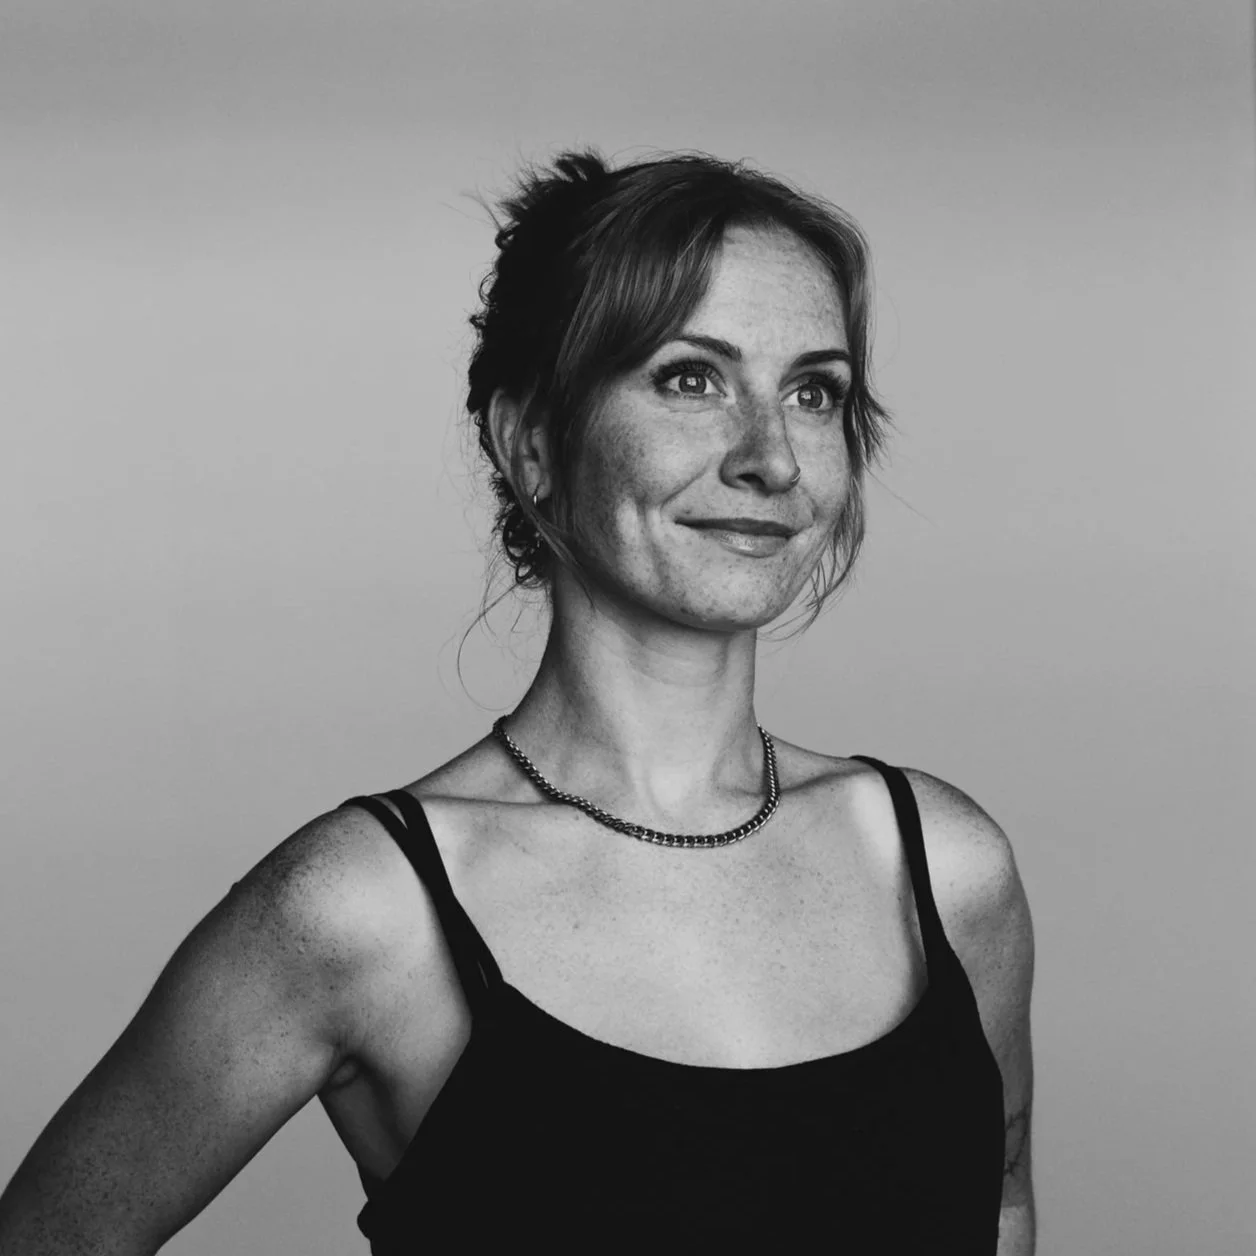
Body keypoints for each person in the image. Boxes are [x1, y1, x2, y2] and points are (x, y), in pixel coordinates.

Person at [0, 147, 1035, 1253]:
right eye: (690, 377)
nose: (770, 456)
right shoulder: (362, 909)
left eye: (812, 390)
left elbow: (1000, 1201)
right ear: (532, 441)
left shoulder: (942, 868)